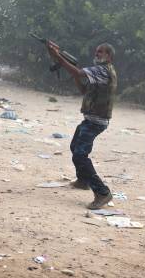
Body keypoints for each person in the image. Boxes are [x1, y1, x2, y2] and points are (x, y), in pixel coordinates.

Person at [47, 41, 117, 210]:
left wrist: (58, 57)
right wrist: (75, 75)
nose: (97, 54)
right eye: (96, 51)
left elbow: (78, 72)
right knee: (75, 147)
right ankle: (83, 180)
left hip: (95, 121)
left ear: (109, 56)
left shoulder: (103, 70)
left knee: (80, 155)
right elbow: (84, 91)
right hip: (91, 119)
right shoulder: (101, 72)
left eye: (101, 52)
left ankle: (102, 192)